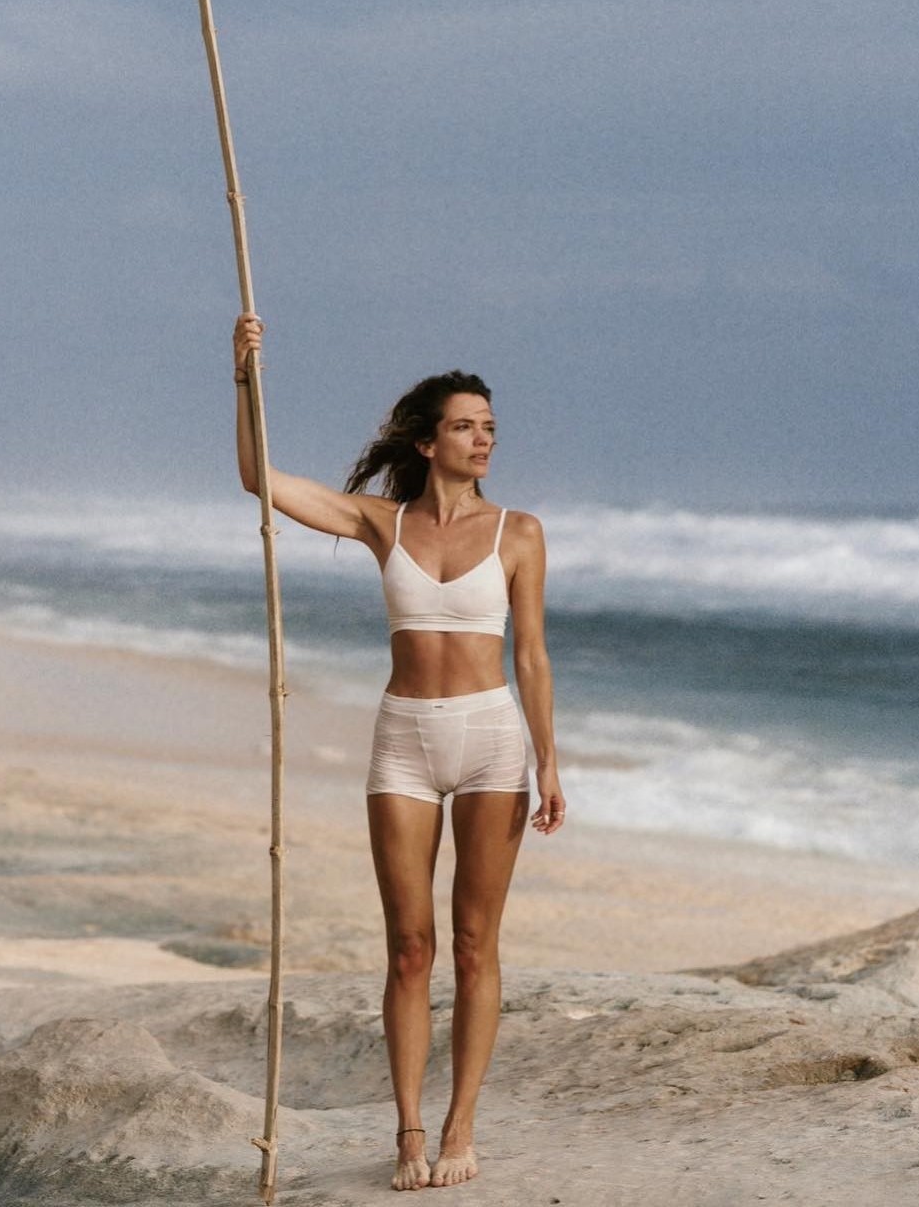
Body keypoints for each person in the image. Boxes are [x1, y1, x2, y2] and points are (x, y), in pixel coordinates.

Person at [232, 314, 565, 1192]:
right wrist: (243, 376)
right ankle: (409, 1128)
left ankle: (461, 1125)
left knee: (473, 943)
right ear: (426, 442)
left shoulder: (519, 531)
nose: (482, 439)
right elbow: (258, 479)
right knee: (410, 947)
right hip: (404, 742)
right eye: (464, 426)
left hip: (491, 741)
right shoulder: (381, 522)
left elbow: (532, 655)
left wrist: (548, 761)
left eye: (489, 426)